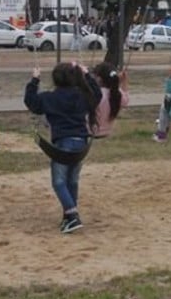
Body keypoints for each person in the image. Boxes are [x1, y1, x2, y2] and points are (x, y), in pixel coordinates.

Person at [25, 62, 100, 234]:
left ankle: (72, 215)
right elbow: (97, 95)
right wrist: (87, 74)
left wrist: (34, 80)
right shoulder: (82, 95)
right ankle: (68, 219)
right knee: (71, 180)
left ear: (55, 80)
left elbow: (30, 102)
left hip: (63, 144)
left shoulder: (49, 98)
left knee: (59, 181)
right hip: (81, 143)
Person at [90, 62, 129, 139]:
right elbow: (126, 99)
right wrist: (124, 81)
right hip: (107, 131)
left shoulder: (96, 93)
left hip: (91, 131)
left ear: (99, 79)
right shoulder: (117, 94)